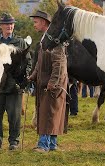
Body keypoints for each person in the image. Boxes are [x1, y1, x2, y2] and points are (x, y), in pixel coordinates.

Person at [29, 10, 68, 153]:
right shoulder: (44, 39)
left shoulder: (54, 41)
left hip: (52, 84)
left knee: (49, 113)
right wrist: (33, 75)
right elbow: (40, 62)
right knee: (48, 112)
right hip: (44, 81)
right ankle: (51, 144)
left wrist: (53, 82)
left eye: (36, 22)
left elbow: (59, 63)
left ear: (44, 22)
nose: (34, 25)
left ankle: (44, 145)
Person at [0, 13, 32, 150]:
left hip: (15, 85)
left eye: (11, 23)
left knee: (14, 116)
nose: (9, 26)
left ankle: (13, 141)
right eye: (7, 24)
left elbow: (28, 61)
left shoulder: (21, 42)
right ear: (1, 26)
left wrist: (24, 78)